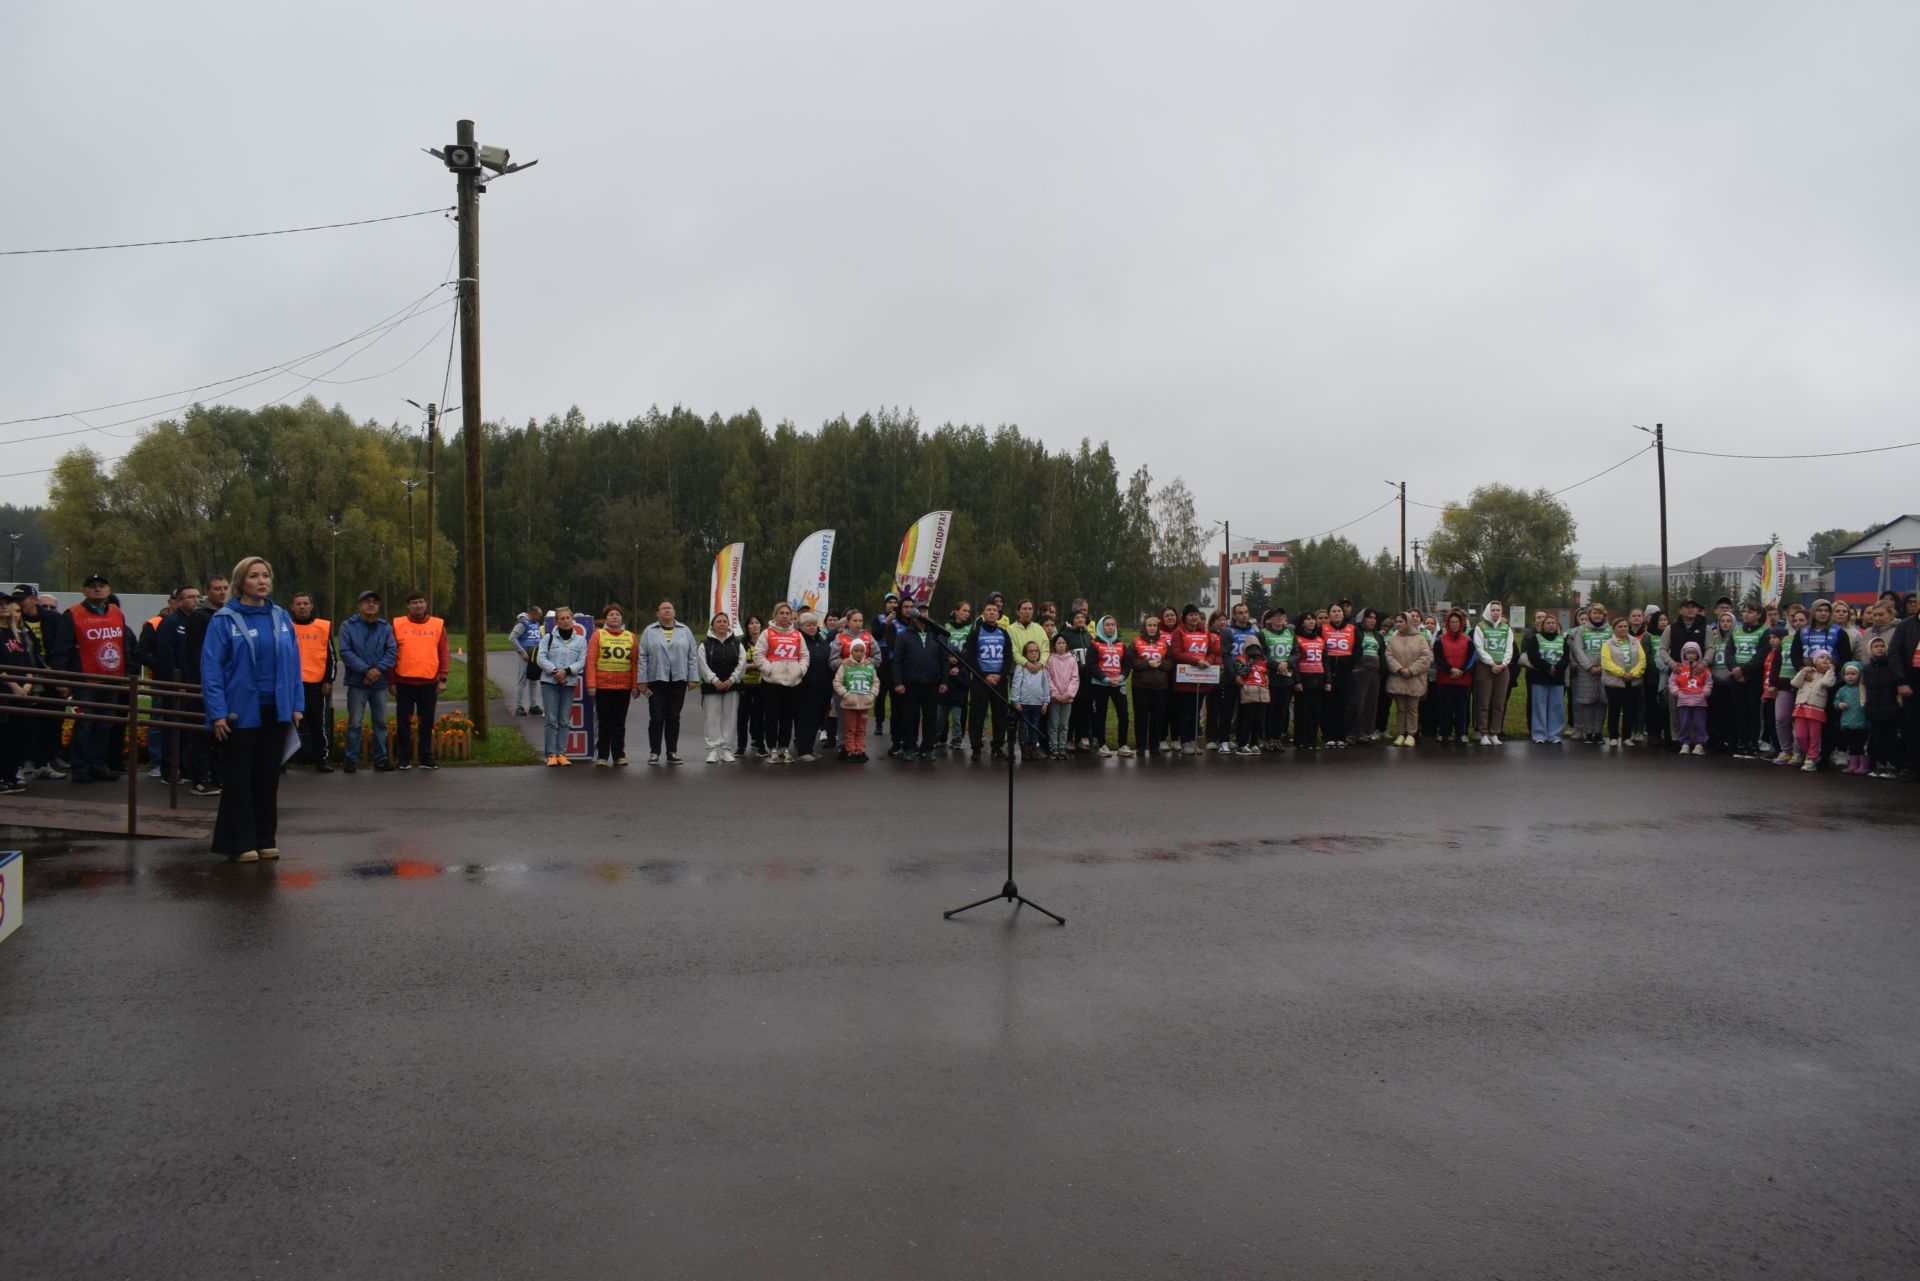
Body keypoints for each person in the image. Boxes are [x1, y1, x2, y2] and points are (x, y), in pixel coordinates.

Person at [200, 556, 303, 862]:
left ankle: (265, 837)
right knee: (239, 778)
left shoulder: (281, 617)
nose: (262, 581)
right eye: (255, 576)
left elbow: (294, 664)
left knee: (267, 777)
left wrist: (296, 704)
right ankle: (240, 841)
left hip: (276, 709)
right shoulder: (224, 619)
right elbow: (211, 669)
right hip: (240, 712)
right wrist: (217, 712)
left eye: (266, 575)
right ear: (241, 582)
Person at [60, 573, 129, 784]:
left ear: (108, 590)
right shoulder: (72, 614)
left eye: (102, 586)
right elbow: (61, 649)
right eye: (93, 586)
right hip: (85, 679)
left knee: (105, 724)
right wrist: (65, 679)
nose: (98, 589)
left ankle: (99, 765)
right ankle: (81, 767)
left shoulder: (116, 612)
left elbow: (123, 643)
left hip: (112, 678)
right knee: (86, 724)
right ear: (85, 591)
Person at [336, 590, 395, 774]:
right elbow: (345, 652)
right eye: (367, 601)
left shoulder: (386, 627)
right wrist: (366, 670)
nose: (371, 604)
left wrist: (377, 670)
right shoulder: (348, 626)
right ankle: (351, 759)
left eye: (375, 602)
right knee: (355, 722)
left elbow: (392, 651)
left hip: (379, 683)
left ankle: (381, 759)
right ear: (359, 605)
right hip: (357, 682)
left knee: (380, 722)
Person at [181, 576, 229, 793]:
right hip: (204, 684)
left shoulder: (228, 614)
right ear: (207, 592)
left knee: (221, 735)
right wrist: (201, 682)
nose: (222, 592)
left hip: (224, 683)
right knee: (202, 734)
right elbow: (194, 654)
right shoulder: (199, 617)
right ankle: (199, 779)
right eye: (217, 589)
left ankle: (218, 775)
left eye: (225, 588)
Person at [637, 598, 699, 765]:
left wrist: (693, 677)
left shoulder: (685, 630)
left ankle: (672, 752)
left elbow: (692, 656)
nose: (667, 611)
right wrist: (641, 680)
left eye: (669, 608)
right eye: (663, 608)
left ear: (674, 612)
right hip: (656, 679)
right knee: (656, 716)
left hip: (678, 679)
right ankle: (654, 752)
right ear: (658, 613)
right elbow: (642, 657)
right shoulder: (649, 631)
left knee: (673, 716)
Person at [283, 593, 335, 774]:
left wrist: (329, 679)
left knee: (317, 724)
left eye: (306, 603)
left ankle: (322, 759)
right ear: (292, 606)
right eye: (298, 604)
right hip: (290, 684)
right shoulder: (285, 627)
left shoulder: (323, 627)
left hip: (316, 684)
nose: (302, 607)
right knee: (285, 723)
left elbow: (331, 657)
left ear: (311, 606)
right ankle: (282, 761)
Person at [888, 602, 946, 760]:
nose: (923, 614)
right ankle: (909, 747)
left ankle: (927, 748)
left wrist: (944, 681)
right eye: (919, 611)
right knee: (910, 717)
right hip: (910, 684)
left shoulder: (936, 635)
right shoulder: (904, 635)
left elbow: (944, 661)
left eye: (925, 611)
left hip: (932, 683)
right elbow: (897, 661)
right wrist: (898, 682)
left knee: (930, 717)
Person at [585, 605, 639, 766]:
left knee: (619, 722)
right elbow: (591, 661)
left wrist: (635, 685)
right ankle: (602, 755)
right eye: (611, 615)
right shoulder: (598, 635)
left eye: (617, 614)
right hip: (603, 686)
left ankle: (619, 754)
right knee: (604, 722)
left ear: (622, 618)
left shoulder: (631, 636)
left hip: (623, 687)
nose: (614, 617)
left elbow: (635, 663)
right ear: (605, 618)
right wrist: (591, 684)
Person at [0, 597, 43, 793]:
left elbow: (27, 661)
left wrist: (27, 681)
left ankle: (10, 774)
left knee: (17, 736)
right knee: (4, 737)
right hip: (5, 693)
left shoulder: (15, 633)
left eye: (4, 604)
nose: (3, 608)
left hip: (20, 693)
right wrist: (14, 685)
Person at [755, 602, 808, 763]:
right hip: (771, 682)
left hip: (792, 682)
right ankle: (771, 749)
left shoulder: (797, 635)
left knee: (787, 718)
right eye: (781, 613)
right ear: (775, 615)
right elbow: (758, 654)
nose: (785, 616)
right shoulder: (767, 633)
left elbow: (805, 655)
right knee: (772, 717)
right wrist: (769, 669)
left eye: (787, 613)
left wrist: (799, 671)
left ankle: (784, 749)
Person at [962, 599, 1013, 760]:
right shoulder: (976, 632)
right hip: (980, 680)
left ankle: (997, 747)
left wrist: (1000, 675)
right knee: (978, 713)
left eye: (995, 610)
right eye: (989, 610)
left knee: (1000, 714)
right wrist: (984, 676)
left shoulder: (1004, 633)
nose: (992, 612)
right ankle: (976, 748)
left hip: (1000, 680)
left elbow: (1008, 657)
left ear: (998, 614)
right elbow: (969, 657)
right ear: (984, 613)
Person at [536, 606, 587, 766]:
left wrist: (566, 671)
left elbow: (582, 661)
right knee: (551, 720)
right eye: (562, 618)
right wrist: (555, 672)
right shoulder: (548, 638)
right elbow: (541, 657)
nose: (565, 621)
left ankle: (561, 753)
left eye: (568, 618)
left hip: (568, 684)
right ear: (556, 621)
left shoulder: (580, 640)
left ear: (572, 620)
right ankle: (551, 754)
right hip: (549, 683)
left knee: (564, 720)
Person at [1169, 604, 1218, 754]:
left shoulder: (1205, 632)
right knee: (1185, 712)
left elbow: (1212, 651)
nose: (1194, 617)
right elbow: (1176, 653)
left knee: (1196, 712)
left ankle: (1193, 741)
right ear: (1185, 617)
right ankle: (1185, 742)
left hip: (1201, 678)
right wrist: (1196, 661)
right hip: (1185, 678)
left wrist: (1208, 661)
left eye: (1196, 614)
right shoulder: (1179, 632)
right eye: (1191, 615)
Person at [697, 612, 745, 764]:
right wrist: (715, 680)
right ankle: (713, 751)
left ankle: (726, 750)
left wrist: (731, 680)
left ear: (729, 625)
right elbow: (702, 665)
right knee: (712, 718)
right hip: (712, 688)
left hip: (732, 687)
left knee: (730, 718)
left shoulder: (736, 644)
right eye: (719, 621)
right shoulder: (705, 644)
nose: (722, 624)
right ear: (712, 625)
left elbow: (742, 664)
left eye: (725, 621)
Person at [1471, 601, 1516, 746]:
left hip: (1503, 668)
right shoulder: (1480, 627)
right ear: (1487, 611)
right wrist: (1491, 663)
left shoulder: (1506, 628)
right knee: (1484, 701)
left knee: (1499, 702)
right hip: (1486, 667)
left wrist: (1504, 664)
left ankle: (1494, 732)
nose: (1496, 613)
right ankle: (1483, 732)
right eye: (1493, 610)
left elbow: (1509, 648)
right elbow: (1479, 647)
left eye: (1498, 610)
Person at [1727, 602, 1769, 758]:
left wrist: (1743, 670)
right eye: (1744, 611)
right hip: (1736, 676)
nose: (1746, 614)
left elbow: (1761, 655)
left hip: (1754, 676)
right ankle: (1741, 742)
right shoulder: (1736, 630)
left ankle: (1753, 743)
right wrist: (1734, 668)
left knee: (1753, 710)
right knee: (1740, 710)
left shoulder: (1765, 631)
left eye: (1750, 612)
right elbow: (1729, 651)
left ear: (1758, 615)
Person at [1086, 614, 1131, 758]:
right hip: (1100, 685)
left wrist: (1121, 677)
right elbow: (1091, 665)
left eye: (1113, 625)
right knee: (1101, 715)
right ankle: (1101, 744)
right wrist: (1105, 679)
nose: (1110, 627)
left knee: (1123, 714)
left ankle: (1123, 744)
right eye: (1107, 625)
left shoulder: (1121, 644)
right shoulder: (1094, 644)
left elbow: (1127, 664)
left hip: (1118, 684)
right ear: (1101, 626)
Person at [1385, 612, 1433, 746]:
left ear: (1408, 622)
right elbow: (1389, 656)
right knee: (1401, 708)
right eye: (1397, 622)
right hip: (1398, 678)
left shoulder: (1420, 638)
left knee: (1412, 708)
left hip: (1415, 679)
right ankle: (1401, 733)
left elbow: (1425, 657)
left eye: (1401, 621)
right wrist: (1400, 669)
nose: (1398, 624)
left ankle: (1412, 734)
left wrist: (1411, 670)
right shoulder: (1393, 639)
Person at [1521, 613, 1569, 744]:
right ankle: (1539, 734)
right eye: (1548, 623)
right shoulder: (1536, 638)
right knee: (1539, 706)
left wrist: (1557, 668)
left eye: (1553, 623)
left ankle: (1554, 734)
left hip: (1557, 678)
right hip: (1539, 677)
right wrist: (1548, 667)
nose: (1551, 625)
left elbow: (1566, 658)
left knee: (1556, 706)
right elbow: (1533, 656)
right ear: (1543, 625)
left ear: (1557, 625)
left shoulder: (1561, 639)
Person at [1127, 613, 1172, 758]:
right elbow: (1131, 661)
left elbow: (1171, 661)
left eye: (1154, 625)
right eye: (1149, 625)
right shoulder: (1136, 642)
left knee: (1157, 717)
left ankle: (1154, 746)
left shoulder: (1164, 643)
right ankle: (1140, 746)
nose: (1152, 628)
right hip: (1141, 685)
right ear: (1144, 627)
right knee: (1141, 716)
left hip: (1160, 686)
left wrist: (1162, 664)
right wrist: (1147, 663)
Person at [1599, 617, 1647, 747]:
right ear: (1614, 629)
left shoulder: (1636, 642)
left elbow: (1642, 660)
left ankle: (1626, 736)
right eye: (1620, 627)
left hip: (1633, 681)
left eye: (1625, 626)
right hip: (1614, 682)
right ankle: (1613, 736)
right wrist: (1622, 673)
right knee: (1614, 709)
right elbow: (1606, 662)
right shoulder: (1607, 644)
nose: (1623, 629)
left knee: (1630, 710)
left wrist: (1634, 674)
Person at [794, 611, 834, 761]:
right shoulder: (799, 640)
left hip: (823, 688)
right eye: (808, 625)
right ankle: (803, 750)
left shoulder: (821, 640)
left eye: (814, 624)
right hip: (806, 688)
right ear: (801, 626)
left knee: (817, 719)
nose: (812, 627)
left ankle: (810, 747)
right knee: (806, 719)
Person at [1431, 608, 1475, 744]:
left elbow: (1472, 657)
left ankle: (1461, 733)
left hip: (1463, 680)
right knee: (1445, 708)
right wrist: (1451, 670)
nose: (1454, 624)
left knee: (1461, 708)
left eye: (1456, 622)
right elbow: (1438, 658)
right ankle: (1445, 733)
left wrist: (1461, 670)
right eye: (1451, 622)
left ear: (1461, 623)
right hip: (1445, 679)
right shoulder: (1440, 640)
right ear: (1447, 623)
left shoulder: (1468, 640)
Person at [1789, 650, 1837, 773]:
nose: (1826, 659)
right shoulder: (1808, 672)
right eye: (1822, 657)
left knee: (1814, 736)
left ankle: (1811, 758)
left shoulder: (1829, 675)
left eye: (1828, 658)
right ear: (1814, 661)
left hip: (1816, 709)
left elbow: (1828, 683)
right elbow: (1794, 683)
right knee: (1800, 735)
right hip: (1801, 707)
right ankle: (1810, 755)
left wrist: (1830, 670)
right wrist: (1802, 672)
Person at [1568, 603, 1609, 744]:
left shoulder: (1610, 630)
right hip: (1586, 671)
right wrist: (1590, 667)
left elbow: (1614, 649)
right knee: (1587, 702)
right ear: (1589, 615)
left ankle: (1598, 732)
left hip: (1606, 671)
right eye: (1594, 613)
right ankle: (1588, 731)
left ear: (1604, 615)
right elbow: (1578, 650)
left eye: (1600, 613)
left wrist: (1604, 667)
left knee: (1602, 702)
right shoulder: (1581, 630)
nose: (1597, 615)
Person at [832, 638, 878, 762]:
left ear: (865, 652)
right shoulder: (845, 665)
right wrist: (846, 695)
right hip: (849, 704)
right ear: (851, 652)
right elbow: (837, 682)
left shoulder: (869, 666)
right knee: (850, 728)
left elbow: (875, 682)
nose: (859, 653)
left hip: (865, 703)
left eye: (861, 651)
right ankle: (851, 751)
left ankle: (860, 750)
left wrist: (872, 695)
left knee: (861, 729)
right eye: (856, 650)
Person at [1861, 637, 1901, 778]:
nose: (1879, 648)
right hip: (1873, 709)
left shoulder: (1892, 666)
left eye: (1881, 645)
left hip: (1891, 708)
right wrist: (1864, 704)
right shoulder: (1866, 669)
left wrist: (1898, 705)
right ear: (1870, 650)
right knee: (1876, 738)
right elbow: (1863, 688)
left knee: (1891, 738)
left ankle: (1891, 765)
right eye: (1876, 646)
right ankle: (1878, 763)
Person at [1291, 613, 1329, 750]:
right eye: (1308, 619)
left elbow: (1325, 661)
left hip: (1318, 680)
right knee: (1302, 712)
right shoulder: (1297, 639)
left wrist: (1328, 680)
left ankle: (1312, 740)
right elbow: (1294, 662)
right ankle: (1301, 740)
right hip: (1304, 680)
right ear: (1302, 623)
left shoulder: (1320, 639)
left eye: (1312, 619)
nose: (1311, 621)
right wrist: (1296, 681)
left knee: (1315, 712)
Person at [1321, 603, 1356, 748]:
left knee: (1342, 705)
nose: (1336, 613)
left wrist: (1349, 661)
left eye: (1339, 611)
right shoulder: (1322, 629)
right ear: (1329, 615)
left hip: (1345, 672)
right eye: (1333, 611)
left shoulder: (1352, 629)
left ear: (1343, 614)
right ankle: (1329, 736)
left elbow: (1359, 649)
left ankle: (1341, 736)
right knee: (1328, 705)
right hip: (1327, 672)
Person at [939, 601, 973, 750]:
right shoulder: (946, 626)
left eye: (968, 611)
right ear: (956, 611)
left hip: (962, 671)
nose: (966, 613)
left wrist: (959, 663)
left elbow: (970, 650)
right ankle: (940, 737)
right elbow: (941, 646)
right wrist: (948, 659)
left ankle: (957, 738)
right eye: (964, 610)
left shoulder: (971, 628)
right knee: (943, 706)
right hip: (947, 670)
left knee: (960, 709)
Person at [1061, 606, 1096, 751]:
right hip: (1072, 678)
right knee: (1072, 710)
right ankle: (1068, 739)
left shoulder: (1088, 636)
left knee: (1086, 709)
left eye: (1082, 617)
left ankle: (1083, 737)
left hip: (1087, 679)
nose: (1081, 619)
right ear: (1071, 621)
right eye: (1077, 618)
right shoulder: (1066, 635)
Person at [1259, 608, 1294, 750]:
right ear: (1269, 619)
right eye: (1276, 616)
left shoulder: (1290, 633)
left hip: (1286, 677)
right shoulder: (1262, 634)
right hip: (1270, 676)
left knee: (1282, 710)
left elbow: (1296, 652)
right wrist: (1276, 665)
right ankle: (1266, 738)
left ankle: (1276, 738)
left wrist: (1288, 663)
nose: (1279, 618)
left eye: (1282, 615)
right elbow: (1261, 654)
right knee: (1269, 710)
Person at [1348, 608, 1384, 745]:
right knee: (1357, 703)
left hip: (1375, 673)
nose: (1372, 620)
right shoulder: (1356, 632)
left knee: (1371, 704)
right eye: (1369, 617)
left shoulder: (1378, 636)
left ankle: (1366, 733)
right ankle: (1352, 733)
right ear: (1361, 619)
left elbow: (1381, 653)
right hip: (1359, 672)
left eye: (1375, 618)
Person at [1011, 640, 1050, 762]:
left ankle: (1034, 747)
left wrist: (1045, 701)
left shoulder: (1042, 668)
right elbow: (1016, 684)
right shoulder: (1021, 667)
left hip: (1037, 703)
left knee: (1034, 725)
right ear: (1025, 654)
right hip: (1024, 703)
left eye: (1036, 651)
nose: (1033, 653)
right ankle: (1024, 747)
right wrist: (1016, 701)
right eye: (1030, 651)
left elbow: (1045, 685)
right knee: (1023, 726)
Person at [1672, 642, 1713, 755]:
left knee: (1699, 723)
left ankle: (1699, 744)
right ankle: (1685, 743)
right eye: (1689, 653)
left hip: (1699, 701)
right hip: (1683, 700)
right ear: (1684, 654)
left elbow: (1708, 682)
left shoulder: (1704, 669)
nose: (1691, 655)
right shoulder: (1679, 668)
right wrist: (1678, 693)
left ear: (1698, 654)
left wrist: (1704, 693)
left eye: (1693, 653)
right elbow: (1672, 682)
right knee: (1684, 722)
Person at [1044, 631, 1080, 760]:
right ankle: (1053, 747)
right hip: (1055, 698)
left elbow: (1075, 678)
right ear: (1054, 645)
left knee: (1064, 724)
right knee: (1054, 723)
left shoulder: (1071, 660)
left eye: (1063, 643)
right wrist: (1055, 693)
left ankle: (1062, 747)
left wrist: (1068, 694)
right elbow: (1048, 678)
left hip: (1067, 699)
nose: (1061, 645)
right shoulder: (1050, 659)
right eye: (1058, 643)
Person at [1230, 640, 1269, 754]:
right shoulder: (1240, 659)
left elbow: (1266, 673)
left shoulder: (1262, 660)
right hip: (1248, 691)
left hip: (1261, 691)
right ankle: (1242, 744)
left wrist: (1267, 678)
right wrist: (1251, 660)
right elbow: (1243, 673)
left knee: (1259, 719)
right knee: (1247, 719)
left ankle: (1254, 743)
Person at [736, 614, 766, 758]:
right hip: (745, 685)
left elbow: (769, 661)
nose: (754, 625)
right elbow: (739, 665)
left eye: (757, 622)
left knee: (759, 716)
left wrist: (755, 665)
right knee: (743, 717)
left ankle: (760, 745)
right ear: (747, 627)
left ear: (761, 625)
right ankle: (740, 747)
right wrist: (756, 665)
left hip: (762, 685)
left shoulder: (766, 641)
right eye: (751, 623)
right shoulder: (741, 643)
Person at [1832, 661, 1868, 775]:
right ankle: (1852, 764)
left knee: (1862, 745)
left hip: (1862, 722)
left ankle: (1864, 765)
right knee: (1852, 745)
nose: (1850, 676)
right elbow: (1836, 701)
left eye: (1853, 674)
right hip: (1847, 722)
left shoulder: (1863, 688)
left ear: (1860, 675)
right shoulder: (1842, 690)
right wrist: (1839, 704)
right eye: (1847, 674)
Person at [510, 604, 544, 715]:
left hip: (534, 656)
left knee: (533, 680)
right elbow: (512, 638)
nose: (539, 618)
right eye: (538, 615)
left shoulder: (536, 623)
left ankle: (533, 705)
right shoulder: (523, 623)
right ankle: (519, 706)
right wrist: (522, 651)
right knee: (522, 680)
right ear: (532, 613)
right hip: (524, 656)